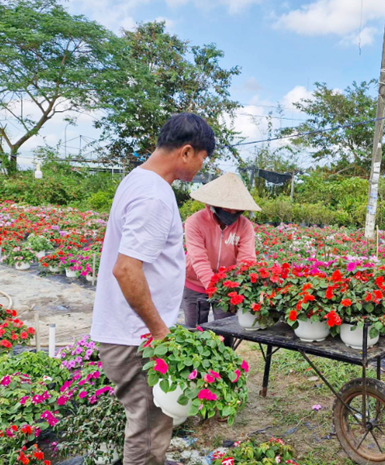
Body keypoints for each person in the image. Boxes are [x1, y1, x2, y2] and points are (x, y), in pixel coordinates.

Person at [90, 113, 215, 465]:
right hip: (136, 339)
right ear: (187, 152)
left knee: (146, 424)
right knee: (148, 433)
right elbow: (126, 270)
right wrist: (160, 332)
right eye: (203, 158)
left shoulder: (137, 180)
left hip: (130, 333)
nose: (201, 167)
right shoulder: (155, 197)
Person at [183, 172, 260, 328]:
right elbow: (198, 259)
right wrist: (215, 289)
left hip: (228, 285)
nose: (232, 213)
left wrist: (235, 290)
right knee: (194, 331)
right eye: (228, 209)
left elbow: (246, 261)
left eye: (237, 210)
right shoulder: (195, 222)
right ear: (214, 204)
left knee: (226, 331)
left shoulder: (245, 226)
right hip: (194, 283)